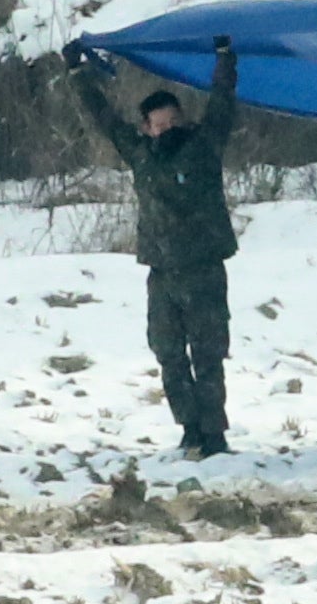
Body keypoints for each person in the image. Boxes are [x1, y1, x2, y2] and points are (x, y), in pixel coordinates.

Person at [78, 38, 240, 458]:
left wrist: (224, 58)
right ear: (147, 128)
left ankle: (214, 434)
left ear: (182, 120)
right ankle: (189, 429)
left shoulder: (204, 146)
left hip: (203, 268)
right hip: (163, 272)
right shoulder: (140, 154)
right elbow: (103, 117)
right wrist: (78, 73)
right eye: (158, 124)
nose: (166, 129)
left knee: (208, 354)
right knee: (168, 353)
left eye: (172, 121)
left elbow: (223, 102)